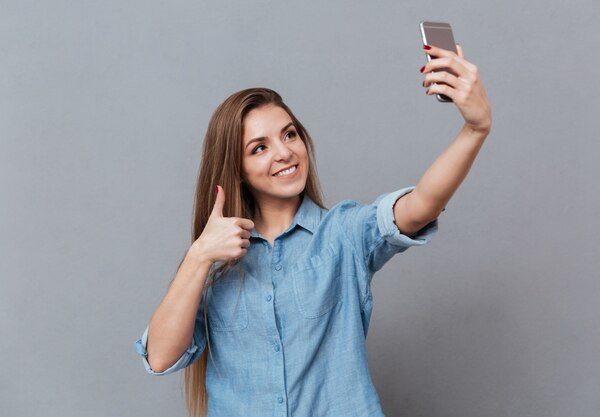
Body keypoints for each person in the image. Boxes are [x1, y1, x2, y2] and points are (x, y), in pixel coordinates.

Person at [134, 43, 491, 417]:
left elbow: (419, 206)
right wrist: (199, 256)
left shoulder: (344, 233)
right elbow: (160, 358)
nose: (284, 152)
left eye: (289, 135)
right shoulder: (213, 260)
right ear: (236, 168)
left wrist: (474, 129)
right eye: (259, 148)